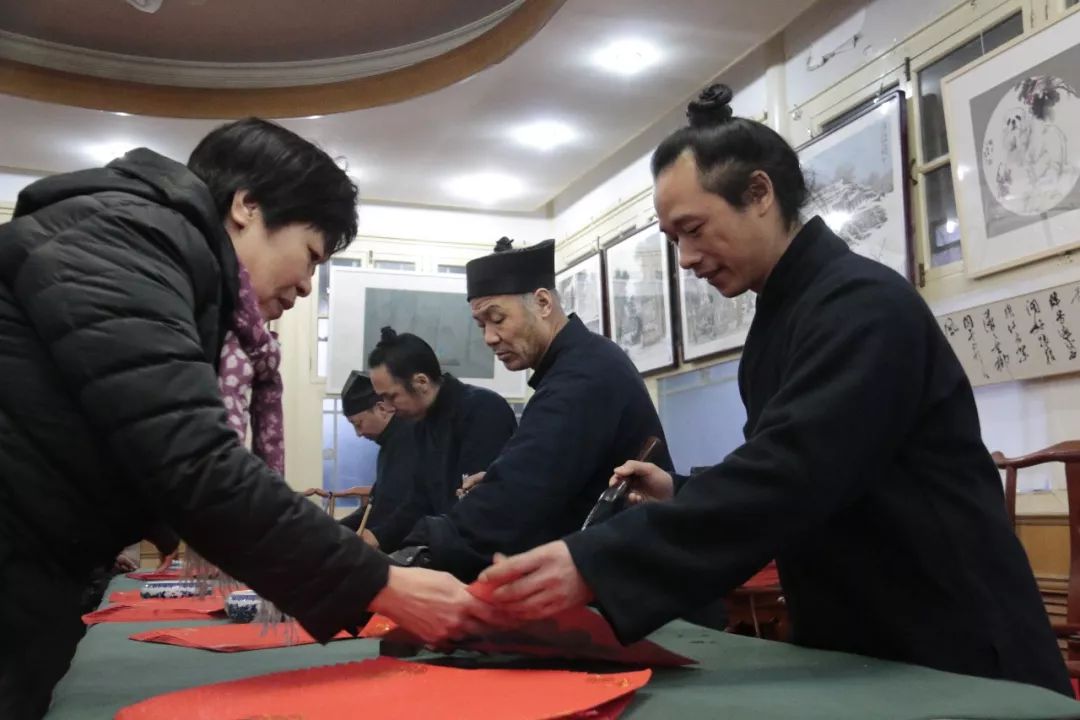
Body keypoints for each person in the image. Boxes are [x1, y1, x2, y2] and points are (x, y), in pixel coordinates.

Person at [478, 85, 1072, 695]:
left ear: (759, 194)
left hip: (956, 645)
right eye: (672, 239)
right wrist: (680, 490)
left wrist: (595, 563)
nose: (685, 258)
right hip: (863, 645)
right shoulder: (786, 314)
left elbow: (794, 471)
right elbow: (794, 461)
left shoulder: (864, 306)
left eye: (693, 228)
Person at [0, 118, 495, 719]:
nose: (307, 288)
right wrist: (383, 584)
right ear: (247, 206)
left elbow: (139, 436)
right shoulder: (125, 239)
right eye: (310, 256)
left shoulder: (158, 256)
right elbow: (193, 461)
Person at [400, 237, 674, 582]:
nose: (489, 337)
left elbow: (519, 492)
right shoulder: (578, 364)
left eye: (497, 318)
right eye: (481, 325)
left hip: (637, 587)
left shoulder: (584, 374)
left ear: (543, 302)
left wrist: (421, 553)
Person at [368, 326, 517, 551]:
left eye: (392, 397)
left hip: (485, 555)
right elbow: (419, 500)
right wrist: (376, 538)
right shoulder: (421, 423)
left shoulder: (483, 410)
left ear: (421, 382)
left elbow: (474, 505)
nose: (388, 408)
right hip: (449, 546)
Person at [336, 370, 419, 552]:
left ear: (382, 409)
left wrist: (379, 536)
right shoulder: (390, 444)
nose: (358, 434)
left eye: (359, 424)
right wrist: (333, 530)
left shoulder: (411, 440)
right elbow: (376, 505)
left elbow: (415, 507)